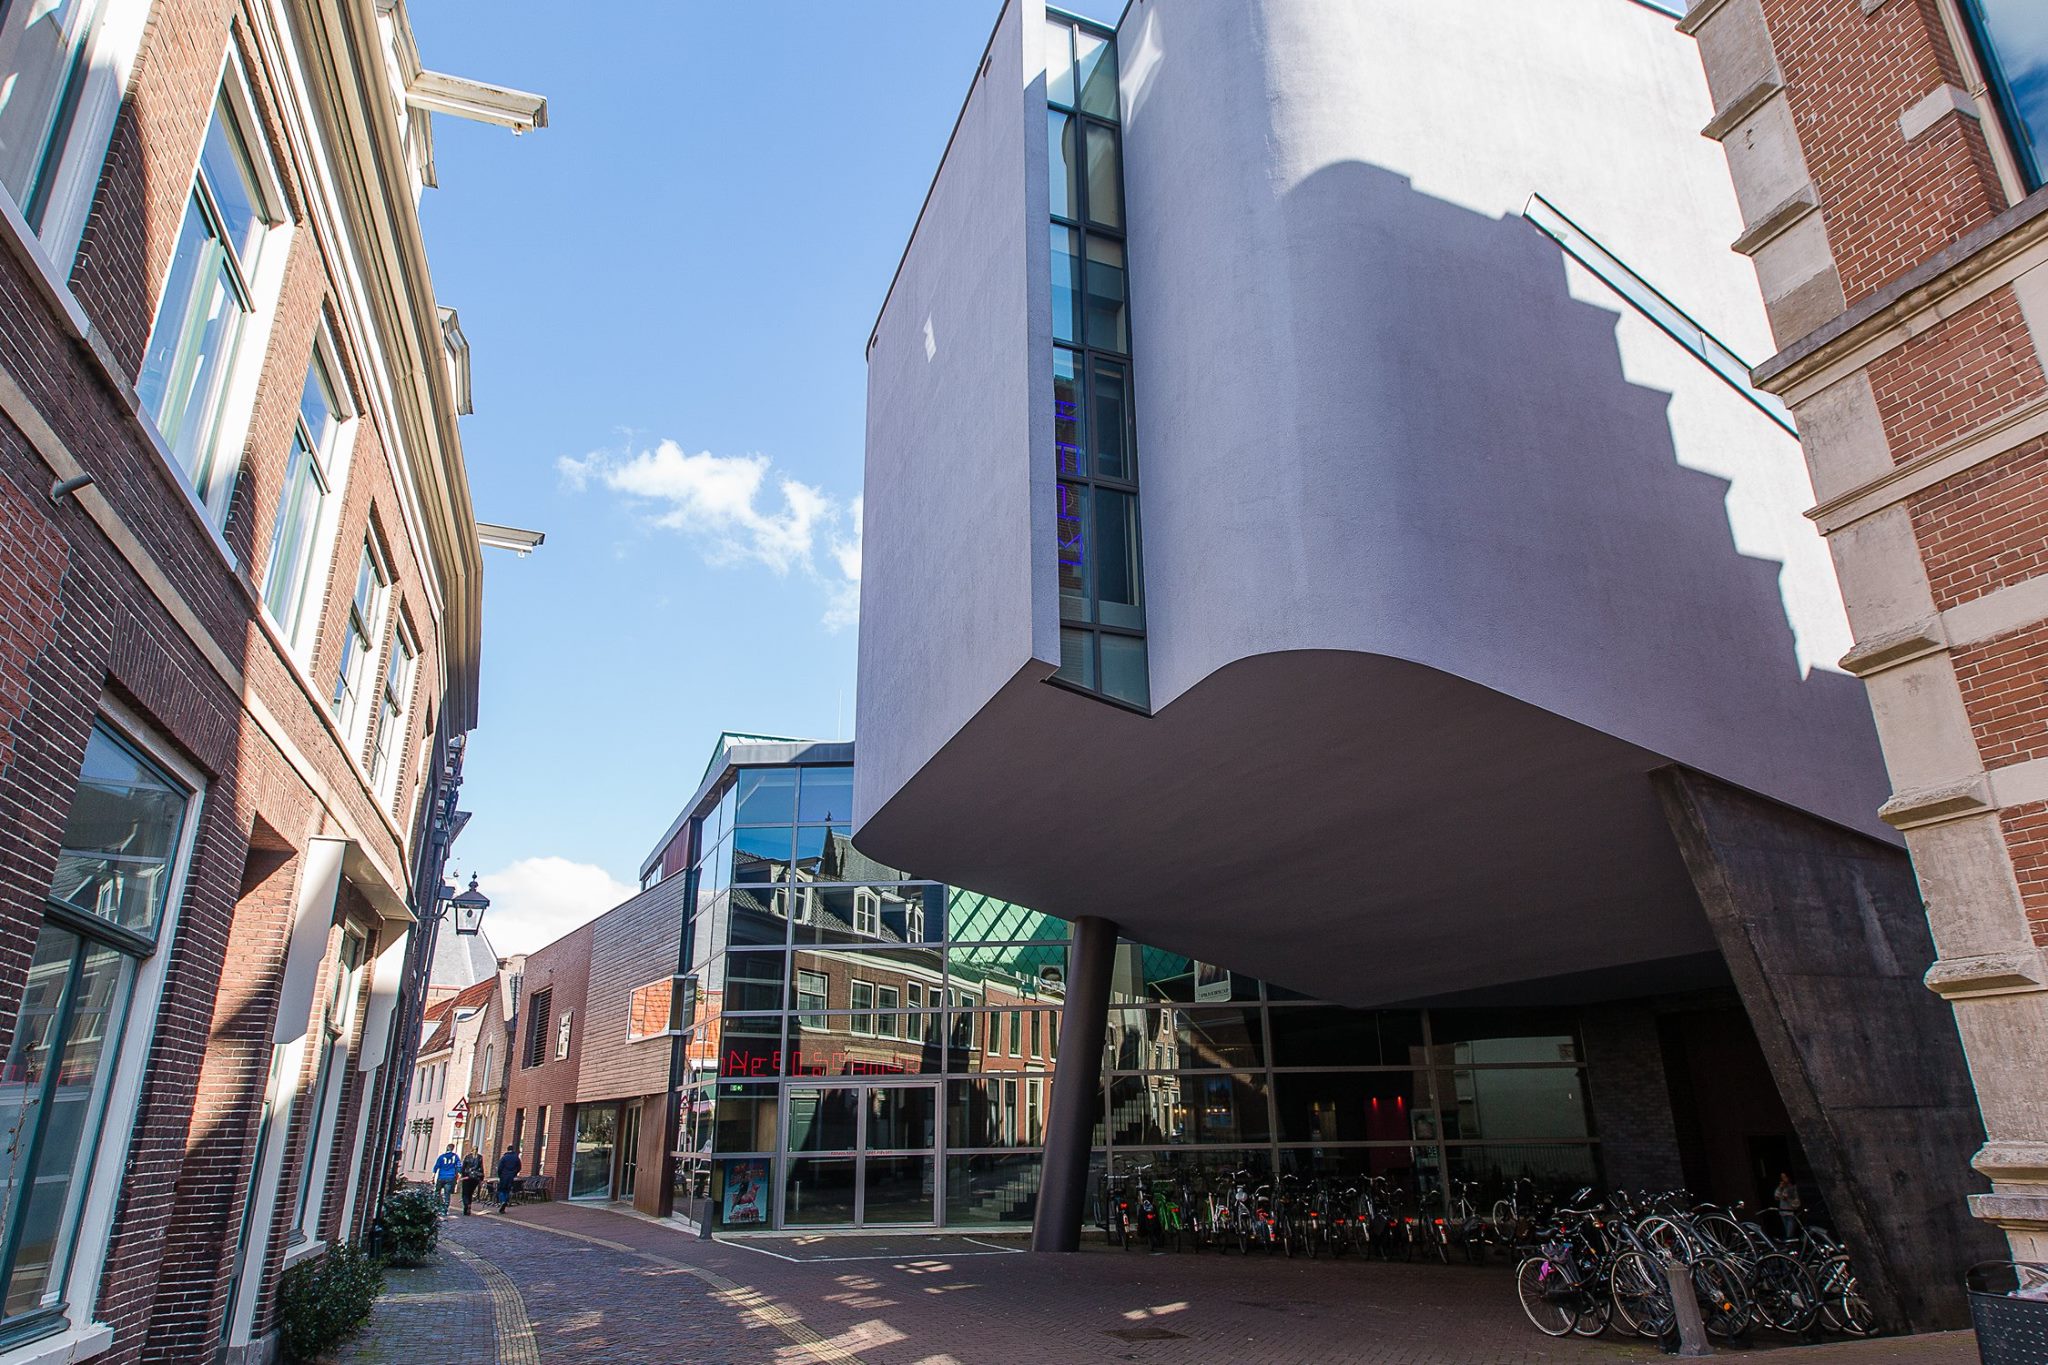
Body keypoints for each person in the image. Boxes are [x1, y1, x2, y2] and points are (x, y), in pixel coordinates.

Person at [431, 1143, 462, 1214]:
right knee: (447, 1194)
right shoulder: (455, 1157)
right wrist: (460, 1174)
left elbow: (436, 1167)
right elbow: (459, 1167)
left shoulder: (441, 1157)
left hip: (441, 1177)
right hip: (450, 1177)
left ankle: (436, 1206)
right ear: (453, 1149)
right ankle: (445, 1209)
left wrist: (433, 1176)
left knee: (437, 1192)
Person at [1774, 1171, 1803, 1240]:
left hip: (1791, 1212)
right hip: (1783, 1212)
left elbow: (1797, 1201)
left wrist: (1788, 1199)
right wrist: (1780, 1188)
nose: (1783, 1179)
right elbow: (1776, 1196)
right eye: (1782, 1178)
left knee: (1790, 1233)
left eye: (1785, 1177)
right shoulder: (1782, 1187)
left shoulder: (1793, 1187)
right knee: (1787, 1230)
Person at [495, 1145, 522, 1213]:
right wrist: (514, 1173)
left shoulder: (504, 1157)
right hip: (511, 1176)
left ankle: (503, 1201)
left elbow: (500, 1167)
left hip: (504, 1176)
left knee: (501, 1190)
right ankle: (505, 1203)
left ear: (507, 1149)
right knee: (507, 1190)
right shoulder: (516, 1158)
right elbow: (519, 1167)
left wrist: (500, 1175)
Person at [459, 1147, 485, 1215]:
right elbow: (481, 1168)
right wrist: (481, 1178)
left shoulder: (467, 1157)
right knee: (470, 1193)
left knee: (465, 1193)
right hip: (475, 1178)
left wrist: (462, 1175)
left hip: (467, 1177)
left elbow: (463, 1167)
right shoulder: (479, 1157)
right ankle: (469, 1205)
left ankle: (466, 1205)